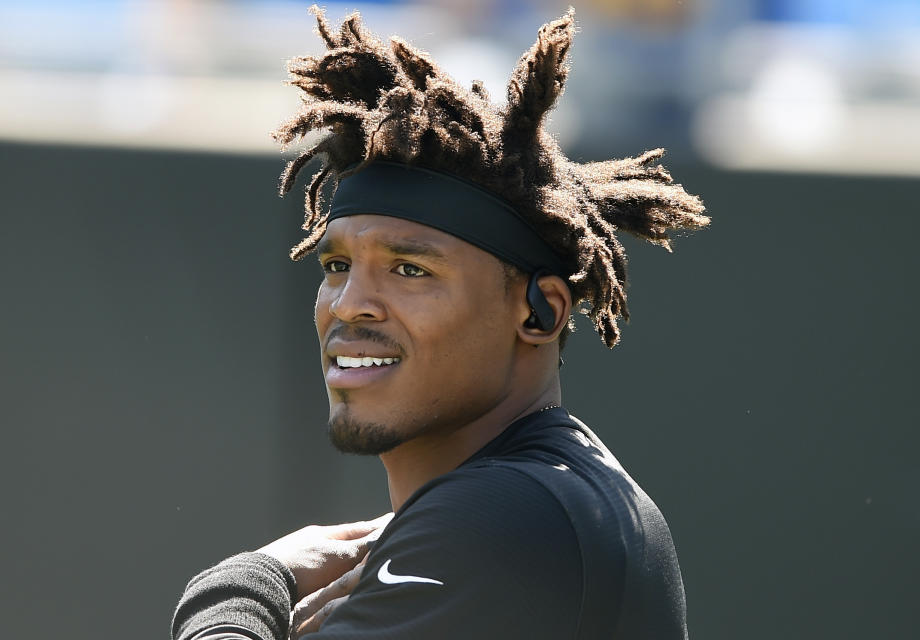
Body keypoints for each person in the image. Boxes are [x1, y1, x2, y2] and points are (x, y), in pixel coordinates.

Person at [171, 6, 708, 639]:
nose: (349, 304)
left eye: (410, 270)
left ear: (540, 313)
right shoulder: (550, 496)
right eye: (337, 265)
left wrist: (254, 579)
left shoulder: (505, 516)